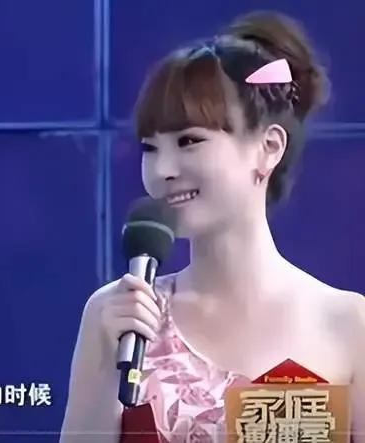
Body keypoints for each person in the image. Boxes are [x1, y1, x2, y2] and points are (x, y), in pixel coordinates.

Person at [61, 11, 365, 443]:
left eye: (189, 141)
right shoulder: (118, 316)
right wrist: (107, 372)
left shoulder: (348, 324)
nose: (163, 170)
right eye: (150, 148)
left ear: (268, 147)